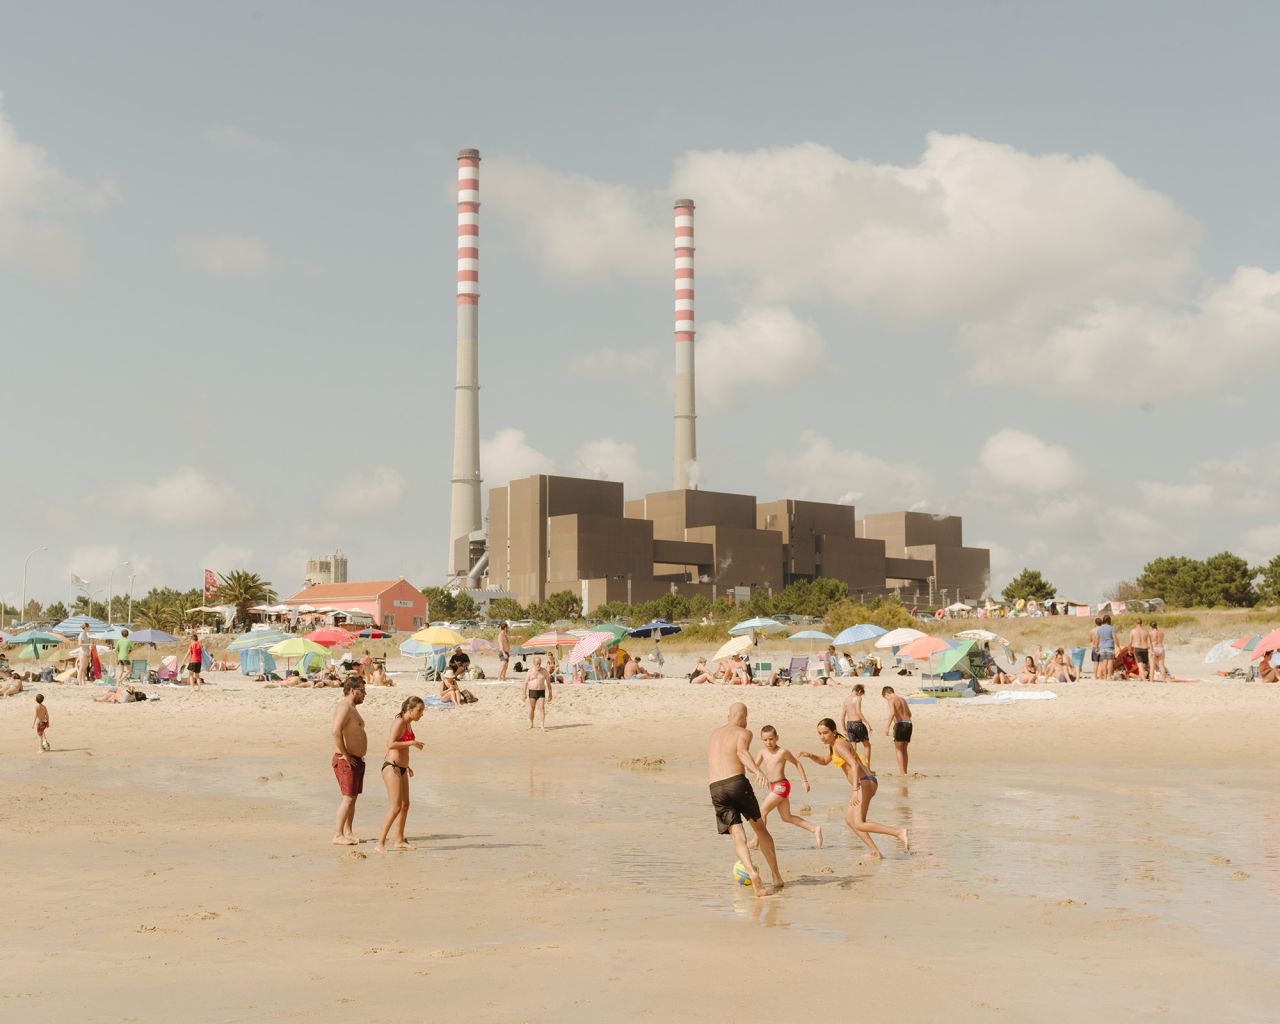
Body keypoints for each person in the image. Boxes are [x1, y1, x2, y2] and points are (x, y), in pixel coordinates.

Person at [799, 718, 908, 859]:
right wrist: (810, 755)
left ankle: (898, 833)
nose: (822, 737)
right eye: (820, 734)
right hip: (864, 782)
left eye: (825, 733)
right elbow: (825, 761)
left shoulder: (839, 745)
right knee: (850, 820)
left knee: (860, 823)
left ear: (834, 732)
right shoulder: (834, 743)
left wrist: (855, 790)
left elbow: (854, 765)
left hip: (864, 783)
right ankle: (875, 852)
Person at [706, 702, 780, 896]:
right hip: (736, 783)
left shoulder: (714, 734)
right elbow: (741, 752)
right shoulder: (743, 732)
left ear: (727, 716)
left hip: (716, 788)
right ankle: (776, 876)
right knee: (760, 828)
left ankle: (751, 872)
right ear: (745, 718)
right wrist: (758, 771)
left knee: (738, 836)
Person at [750, 725, 822, 848]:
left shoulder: (782, 752)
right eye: (765, 740)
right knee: (786, 817)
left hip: (781, 786)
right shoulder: (762, 752)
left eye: (771, 739)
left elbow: (797, 763)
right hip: (773, 787)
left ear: (777, 737)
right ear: (762, 740)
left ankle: (756, 842)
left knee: (762, 812)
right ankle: (814, 829)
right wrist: (746, 766)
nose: (769, 742)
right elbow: (754, 767)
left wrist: (804, 781)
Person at [375, 696, 426, 853]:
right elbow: (391, 744)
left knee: (405, 805)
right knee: (395, 807)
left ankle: (399, 840)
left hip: (402, 768)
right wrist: (412, 743)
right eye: (419, 711)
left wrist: (407, 765)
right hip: (392, 767)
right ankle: (380, 843)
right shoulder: (399, 721)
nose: (421, 714)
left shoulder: (408, 723)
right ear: (409, 709)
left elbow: (400, 746)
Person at [331, 677, 368, 845]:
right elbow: (335, 731)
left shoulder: (352, 708)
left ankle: (348, 832)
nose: (365, 694)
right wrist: (344, 754)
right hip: (346, 761)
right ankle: (338, 835)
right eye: (362, 690)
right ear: (353, 690)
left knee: (352, 798)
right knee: (347, 798)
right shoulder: (344, 707)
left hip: (356, 760)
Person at [882, 686, 913, 774]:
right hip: (909, 724)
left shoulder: (891, 700)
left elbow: (892, 713)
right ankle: (905, 771)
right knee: (904, 749)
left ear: (887, 694)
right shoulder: (902, 699)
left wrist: (887, 727)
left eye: (885, 698)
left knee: (898, 750)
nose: (886, 699)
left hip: (900, 725)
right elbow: (909, 714)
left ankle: (902, 773)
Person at [841, 683, 872, 767]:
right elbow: (858, 712)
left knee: (853, 747)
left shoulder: (846, 700)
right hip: (858, 724)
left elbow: (842, 716)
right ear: (859, 691)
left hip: (849, 725)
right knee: (867, 745)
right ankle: (867, 768)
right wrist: (867, 723)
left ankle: (852, 766)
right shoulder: (858, 698)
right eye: (861, 693)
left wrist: (843, 729)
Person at [523, 656, 551, 729]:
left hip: (541, 691)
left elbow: (548, 683)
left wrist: (550, 694)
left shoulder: (544, 671)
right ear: (534, 663)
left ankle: (542, 725)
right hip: (532, 691)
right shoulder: (530, 671)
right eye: (537, 663)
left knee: (542, 708)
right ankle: (531, 723)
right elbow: (525, 683)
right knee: (532, 708)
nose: (538, 665)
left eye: (539, 663)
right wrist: (523, 694)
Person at [1097, 615, 1117, 680]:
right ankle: (1109, 676)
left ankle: (1105, 676)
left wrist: (1097, 647)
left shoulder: (1099, 628)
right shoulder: (1111, 628)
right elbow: (1114, 638)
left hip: (1102, 647)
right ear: (1109, 620)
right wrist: (1118, 646)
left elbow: (1098, 639)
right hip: (1110, 646)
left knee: (1104, 662)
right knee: (1110, 662)